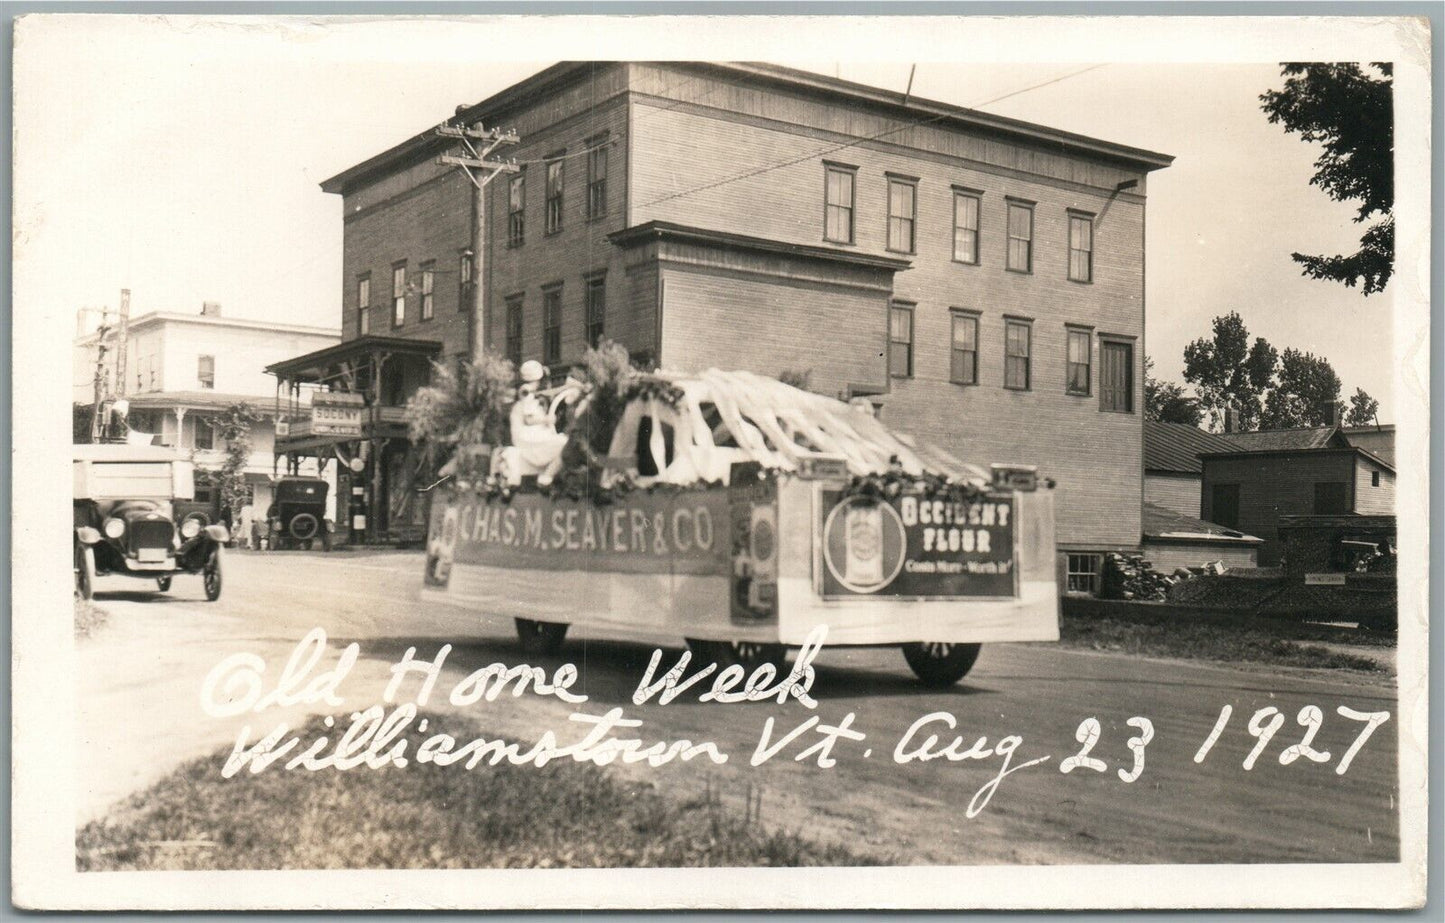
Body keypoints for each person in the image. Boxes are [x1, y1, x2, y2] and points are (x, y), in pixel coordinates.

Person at [508, 360, 569, 484]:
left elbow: (550, 392)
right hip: (527, 438)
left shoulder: (530, 394)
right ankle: (547, 476)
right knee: (564, 442)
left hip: (527, 436)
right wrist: (546, 419)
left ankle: (549, 476)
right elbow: (529, 419)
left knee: (561, 440)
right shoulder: (527, 393)